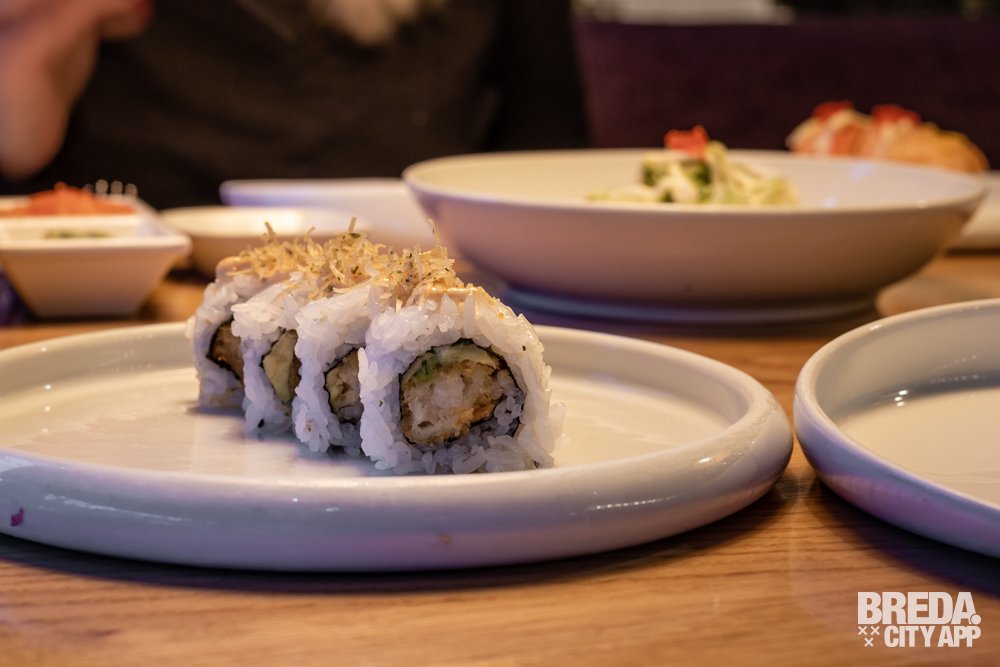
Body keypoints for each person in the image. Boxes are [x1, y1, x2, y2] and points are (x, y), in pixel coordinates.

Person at [0, 0, 588, 209]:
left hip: (424, 292)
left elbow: (546, 165)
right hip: (122, 291)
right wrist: (40, 33)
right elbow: (18, 147)